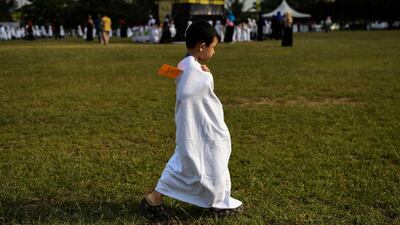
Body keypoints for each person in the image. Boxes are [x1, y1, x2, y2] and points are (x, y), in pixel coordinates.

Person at [139, 20, 243, 219]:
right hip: (198, 129)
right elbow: (190, 93)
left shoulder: (186, 65)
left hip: (196, 128)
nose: (214, 52)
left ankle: (213, 199)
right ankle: (155, 199)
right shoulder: (197, 73)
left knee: (200, 160)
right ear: (202, 46)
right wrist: (208, 78)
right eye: (213, 47)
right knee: (195, 160)